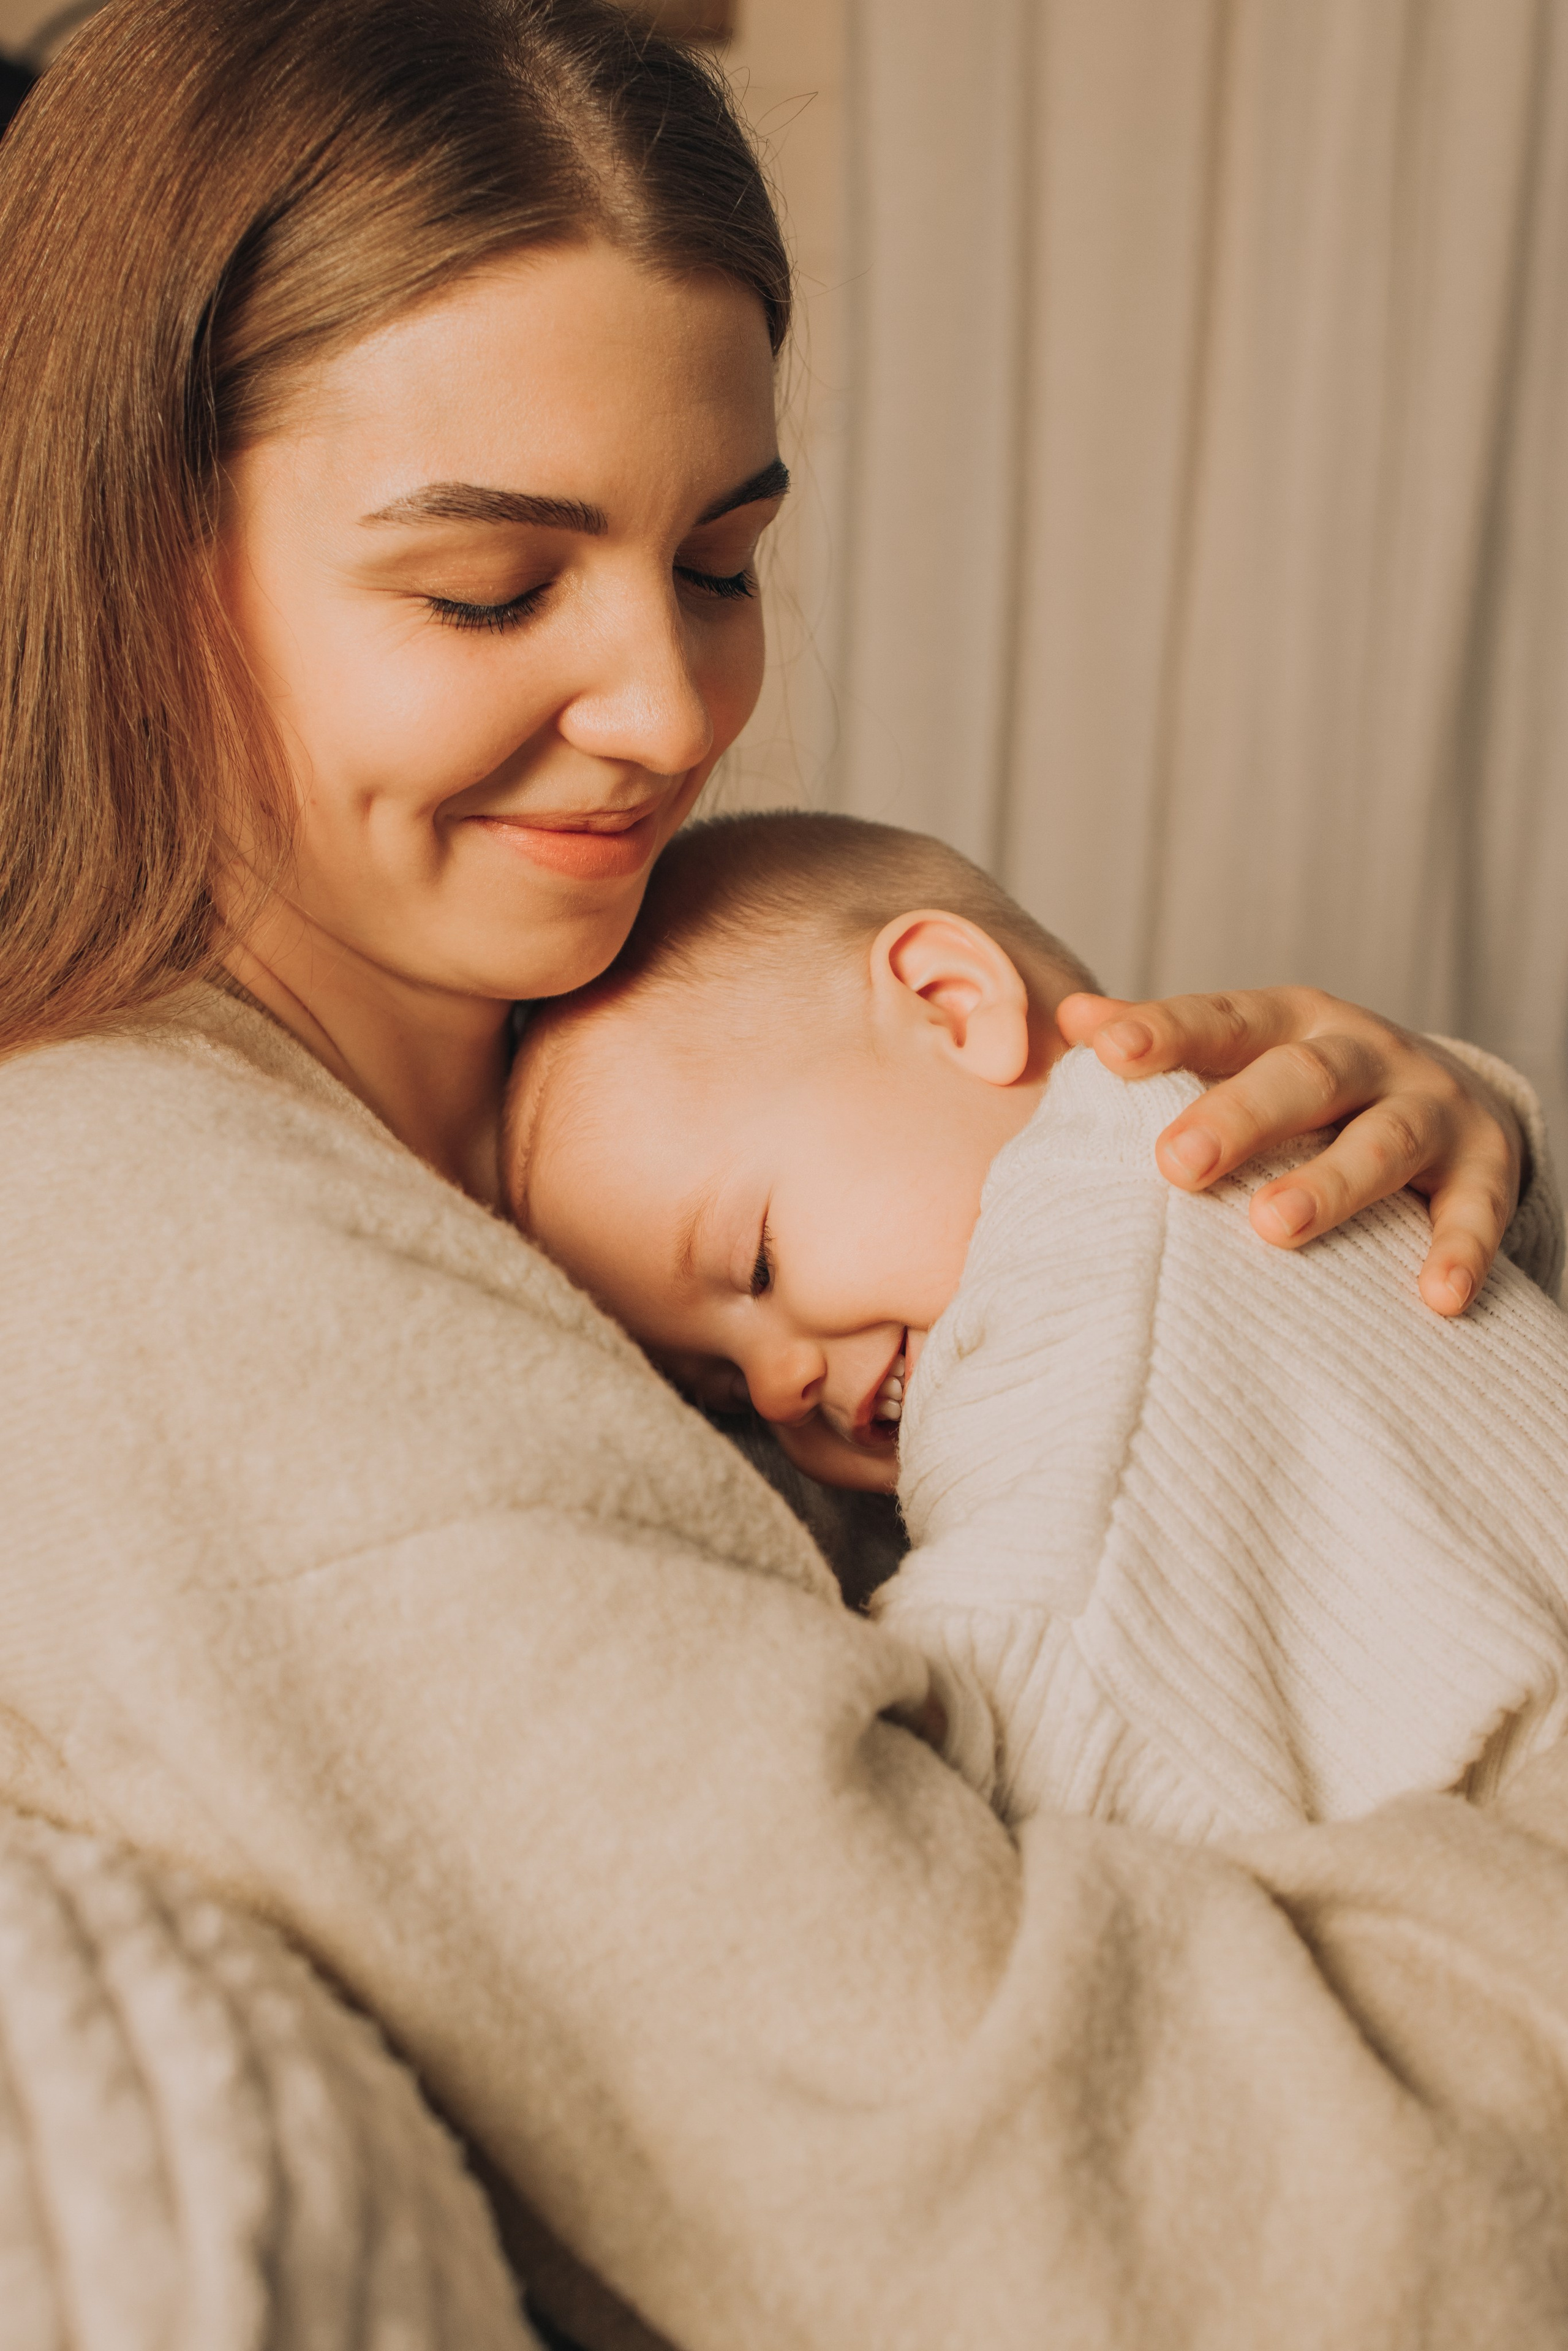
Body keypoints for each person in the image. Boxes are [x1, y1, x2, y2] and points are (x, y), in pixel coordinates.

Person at [4, 3, 1568, 2347]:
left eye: (721, 559)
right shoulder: (141, 1244)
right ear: (124, 560)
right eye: (490, 588)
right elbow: (1098, 2214)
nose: (669, 710)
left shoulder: (590, 1059)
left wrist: (1407, 1192)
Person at [509, 810, 1568, 1842]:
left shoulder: (1071, 1324)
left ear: (954, 1004)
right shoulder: (1246, 1128)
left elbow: (1002, 1711)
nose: (777, 1383)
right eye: (722, 1388)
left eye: (759, 1263)